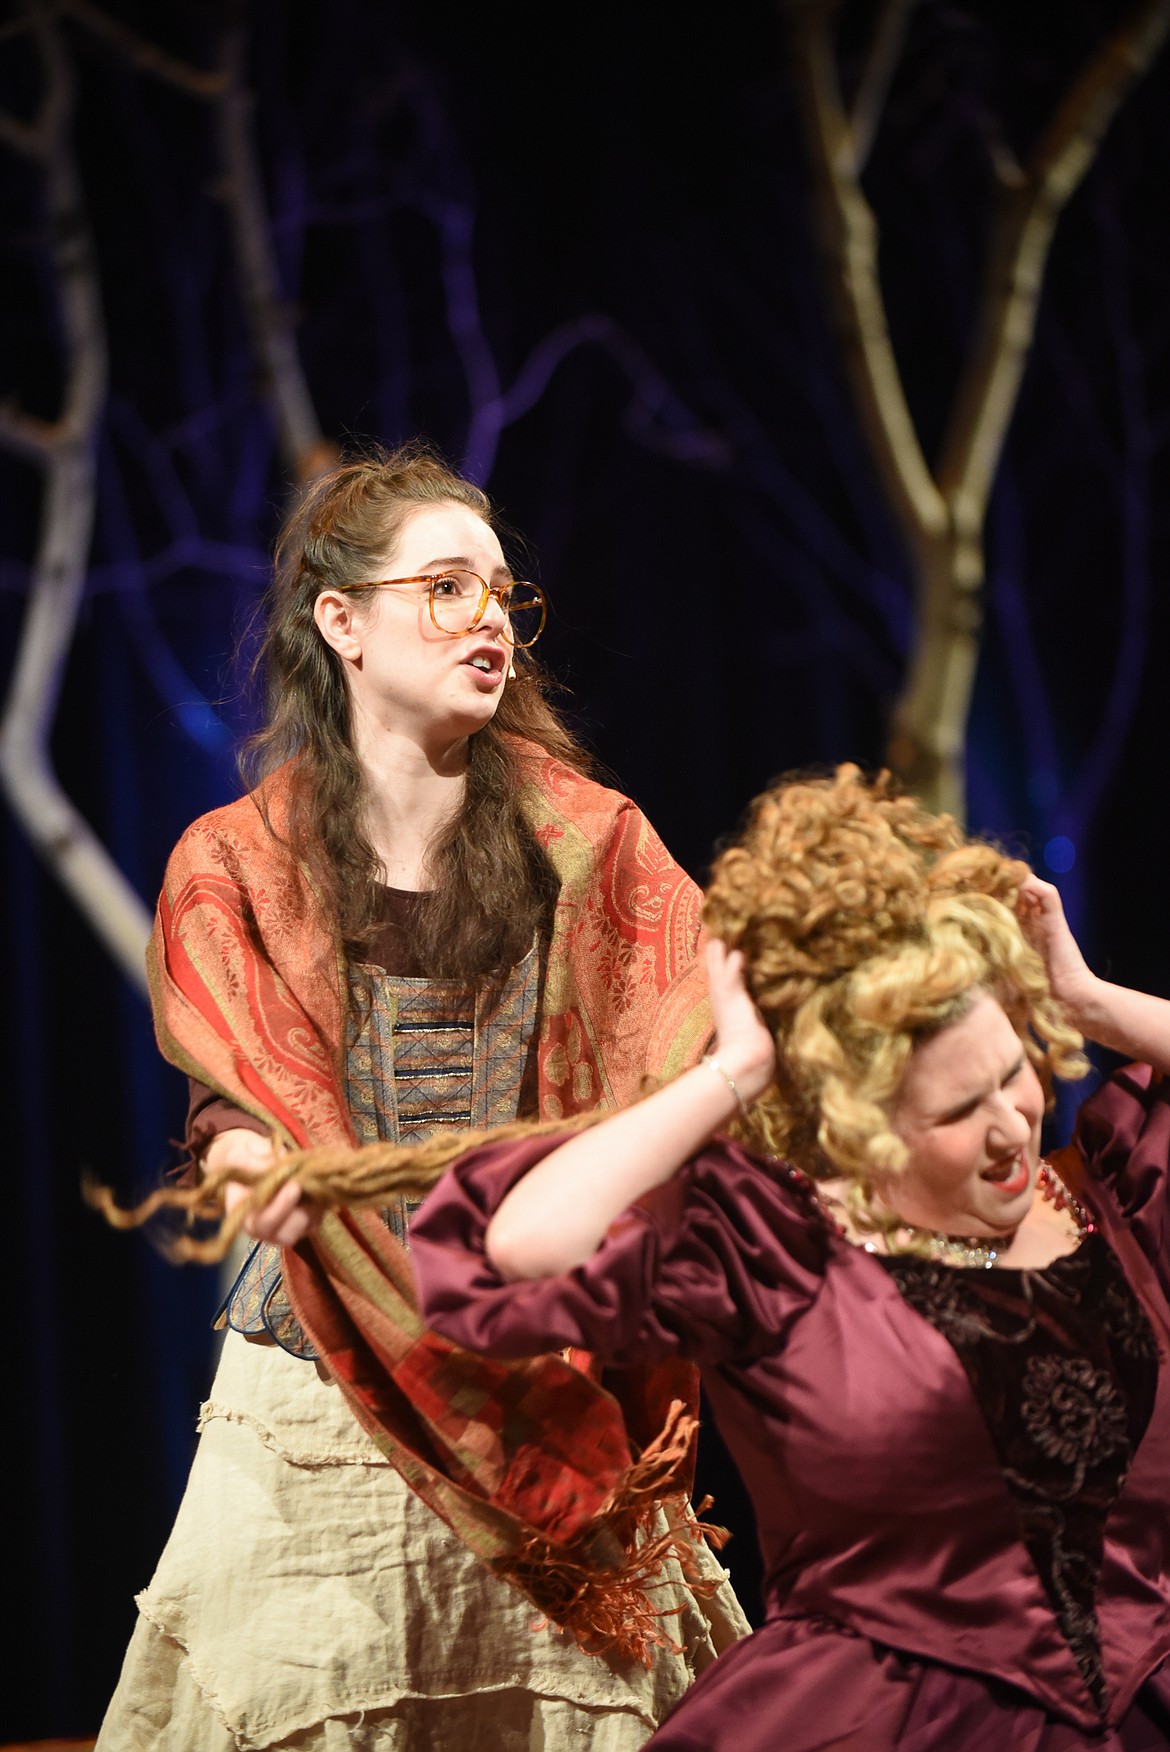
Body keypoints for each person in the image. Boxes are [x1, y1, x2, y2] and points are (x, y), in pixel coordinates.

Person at [98, 444, 746, 1752]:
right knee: (308, 1694)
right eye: (445, 588)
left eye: (503, 595)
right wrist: (240, 1165)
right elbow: (236, 1097)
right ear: (339, 622)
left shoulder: (594, 845)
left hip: (539, 1357)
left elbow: (691, 1044)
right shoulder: (233, 868)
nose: (489, 619)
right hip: (325, 1365)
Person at [410, 764, 1170, 1750]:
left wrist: (1089, 1000)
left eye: (1015, 1072)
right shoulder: (774, 1260)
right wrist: (736, 1070)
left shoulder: (1114, 1203)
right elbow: (515, 1248)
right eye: (955, 1110)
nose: (1012, 1125)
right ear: (856, 1125)